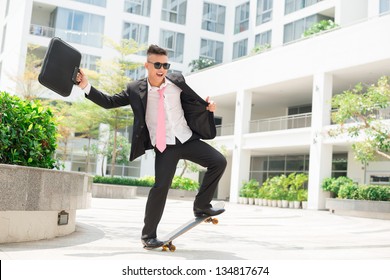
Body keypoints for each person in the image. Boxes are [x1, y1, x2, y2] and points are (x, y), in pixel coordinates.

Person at [76, 44, 226, 249]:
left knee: (218, 161)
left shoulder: (177, 80)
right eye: (157, 64)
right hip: (165, 147)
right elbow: (109, 102)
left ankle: (201, 206)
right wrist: (85, 85)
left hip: (186, 138)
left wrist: (208, 107)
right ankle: (148, 236)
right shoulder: (135, 89)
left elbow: (194, 101)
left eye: (165, 64)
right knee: (160, 188)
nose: (162, 68)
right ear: (147, 65)